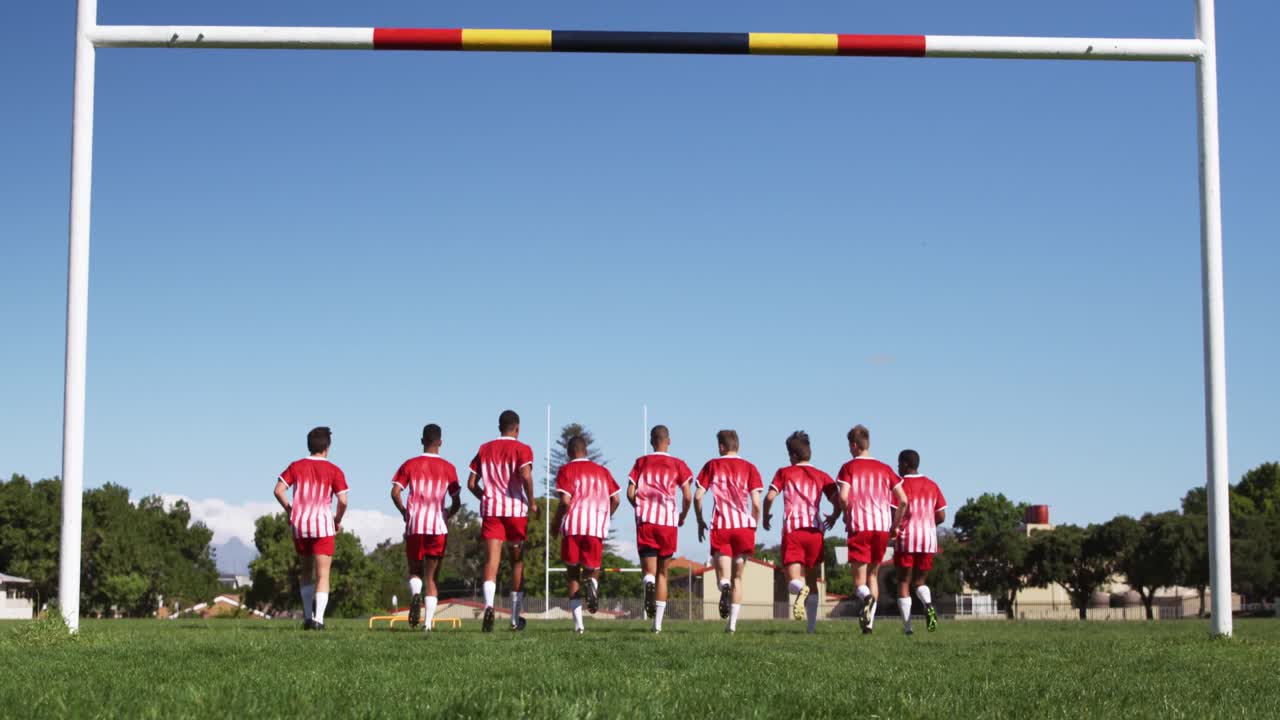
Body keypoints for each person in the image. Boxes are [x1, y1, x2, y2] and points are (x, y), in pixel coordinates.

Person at [763, 431, 842, 634]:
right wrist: (833, 516)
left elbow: (770, 497)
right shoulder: (822, 475)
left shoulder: (785, 472)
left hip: (794, 530)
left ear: (793, 456)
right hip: (816, 531)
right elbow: (838, 500)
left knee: (793, 581)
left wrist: (765, 516)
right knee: (812, 580)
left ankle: (800, 590)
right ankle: (811, 628)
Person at [467, 410, 539, 632]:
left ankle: (489, 605)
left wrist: (486, 497)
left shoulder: (484, 449)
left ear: (499, 427)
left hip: (492, 510)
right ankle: (515, 619)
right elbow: (526, 475)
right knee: (517, 561)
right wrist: (532, 502)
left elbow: (471, 483)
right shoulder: (522, 448)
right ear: (517, 428)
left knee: (492, 561)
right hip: (515, 511)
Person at [273, 426, 348, 631]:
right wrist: (337, 519)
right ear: (327, 447)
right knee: (323, 574)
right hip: (323, 524)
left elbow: (278, 490)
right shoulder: (334, 470)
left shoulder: (296, 466)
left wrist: (290, 509)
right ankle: (319, 620)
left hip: (301, 524)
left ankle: (307, 616)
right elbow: (342, 500)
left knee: (306, 572)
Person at [836, 424, 908, 634]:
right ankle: (869, 624)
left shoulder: (848, 467)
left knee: (859, 581)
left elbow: (842, 497)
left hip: (860, 526)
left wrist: (846, 512)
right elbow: (903, 500)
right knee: (873, 576)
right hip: (882, 528)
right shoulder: (885, 469)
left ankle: (866, 599)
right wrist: (894, 526)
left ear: (854, 445)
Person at [390, 423, 460, 632]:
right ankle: (428, 624)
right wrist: (447, 513)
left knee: (414, 569)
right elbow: (457, 500)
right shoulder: (448, 467)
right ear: (440, 442)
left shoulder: (410, 464)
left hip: (415, 524)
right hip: (437, 526)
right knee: (431, 577)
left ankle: (414, 595)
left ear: (422, 441)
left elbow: (395, 492)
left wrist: (404, 512)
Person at [626, 424, 694, 633]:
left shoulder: (641, 462)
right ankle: (657, 626)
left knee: (649, 571)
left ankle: (647, 581)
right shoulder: (679, 464)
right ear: (669, 441)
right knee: (663, 574)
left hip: (647, 520)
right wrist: (682, 514)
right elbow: (688, 495)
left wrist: (640, 508)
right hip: (668, 523)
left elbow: (630, 492)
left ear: (651, 441)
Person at [694, 430, 763, 634]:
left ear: (721, 447)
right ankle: (732, 625)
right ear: (738, 446)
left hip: (722, 526)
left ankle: (723, 586)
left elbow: (698, 496)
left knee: (722, 577)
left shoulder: (712, 465)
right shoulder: (750, 468)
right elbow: (757, 503)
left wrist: (699, 520)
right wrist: (754, 524)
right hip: (743, 527)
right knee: (738, 579)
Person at [551, 435, 621, 634]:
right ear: (586, 451)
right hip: (595, 528)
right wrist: (604, 517)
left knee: (573, 575)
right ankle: (593, 583)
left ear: (568, 452)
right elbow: (616, 499)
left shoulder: (566, 470)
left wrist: (555, 524)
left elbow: (565, 501)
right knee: (592, 569)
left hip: (573, 527)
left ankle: (579, 625)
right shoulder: (602, 471)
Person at [891, 449, 947, 635]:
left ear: (906, 464)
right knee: (920, 581)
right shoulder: (932, 485)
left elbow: (894, 513)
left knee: (903, 581)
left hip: (906, 539)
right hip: (928, 539)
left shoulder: (899, 486)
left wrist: (894, 528)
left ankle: (908, 628)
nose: (897, 467)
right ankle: (928, 604)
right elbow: (941, 515)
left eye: (899, 464)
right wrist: (928, 524)